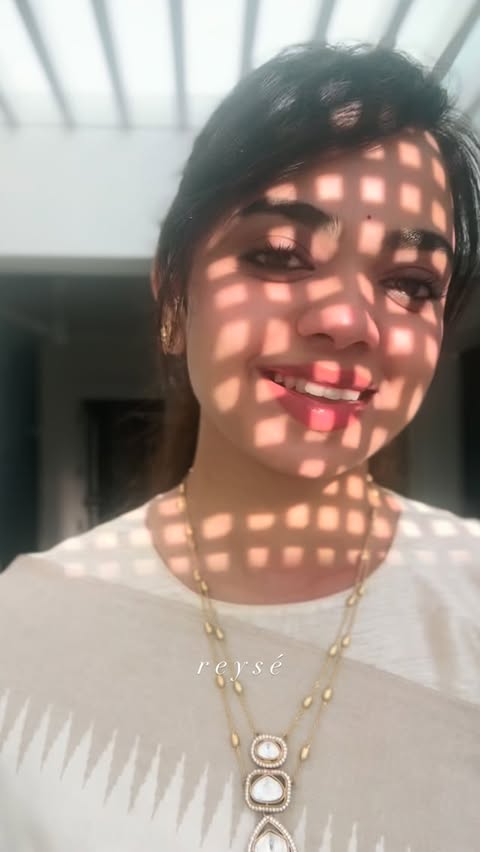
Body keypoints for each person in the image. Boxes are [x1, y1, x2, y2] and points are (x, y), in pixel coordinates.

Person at [0, 43, 479, 852]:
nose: (350, 321)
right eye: (280, 255)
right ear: (174, 299)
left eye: (409, 283)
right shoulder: (26, 628)